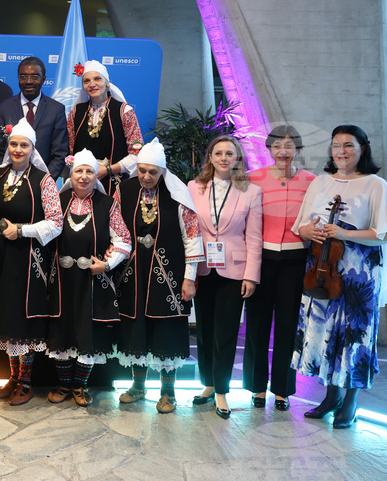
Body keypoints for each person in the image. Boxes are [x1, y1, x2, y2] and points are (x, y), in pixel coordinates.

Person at [293, 124, 387, 429]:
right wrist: (310, 230)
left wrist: (343, 233)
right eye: (336, 145)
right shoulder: (320, 182)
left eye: (349, 145)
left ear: (362, 148)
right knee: (325, 332)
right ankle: (331, 397)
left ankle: (351, 402)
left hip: (359, 273)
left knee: (354, 335)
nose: (341, 151)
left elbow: (385, 234)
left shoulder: (375, 185)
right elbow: (300, 226)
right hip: (322, 270)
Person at [112, 138, 204, 414]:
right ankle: (138, 386)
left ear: (162, 171)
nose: (146, 176)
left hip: (169, 275)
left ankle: (168, 393)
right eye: (142, 170)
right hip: (133, 274)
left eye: (153, 172)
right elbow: (114, 227)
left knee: (167, 331)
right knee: (135, 328)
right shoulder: (124, 190)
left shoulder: (177, 194)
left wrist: (189, 278)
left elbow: (192, 237)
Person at [0, 118, 63, 405]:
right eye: (14, 144)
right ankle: (14, 377)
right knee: (4, 317)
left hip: (27, 258)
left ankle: (26, 382)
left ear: (33, 149)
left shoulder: (43, 180)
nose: (18, 149)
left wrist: (22, 230)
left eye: (24, 145)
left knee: (22, 319)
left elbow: (56, 223)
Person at [47, 149, 132, 406]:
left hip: (92, 281)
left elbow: (124, 240)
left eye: (89, 172)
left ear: (96, 176)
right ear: (70, 175)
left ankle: (79, 386)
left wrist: (106, 264)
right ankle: (63, 384)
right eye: (79, 171)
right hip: (61, 280)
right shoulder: (57, 201)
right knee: (62, 330)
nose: (84, 176)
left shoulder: (107, 204)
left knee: (88, 332)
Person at [187, 135, 262, 419]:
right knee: (204, 330)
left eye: (229, 153)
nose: (223, 158)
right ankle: (207, 383)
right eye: (218, 153)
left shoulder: (251, 191)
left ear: (237, 158)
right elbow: (188, 229)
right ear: (210, 157)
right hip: (202, 267)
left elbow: (253, 238)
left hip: (235, 271)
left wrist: (251, 276)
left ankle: (221, 390)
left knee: (226, 332)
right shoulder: (194, 187)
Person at [244, 125, 316, 411]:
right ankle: (257, 387)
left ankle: (283, 390)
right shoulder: (253, 178)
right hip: (262, 258)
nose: (283, 151)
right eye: (277, 146)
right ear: (269, 149)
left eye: (289, 146)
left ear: (297, 149)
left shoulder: (312, 181)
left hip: (296, 261)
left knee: (288, 325)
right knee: (257, 325)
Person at [66, 60, 143, 196]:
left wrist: (108, 169)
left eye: (97, 79)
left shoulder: (124, 111)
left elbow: (137, 153)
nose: (92, 84)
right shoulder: (76, 112)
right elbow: (70, 149)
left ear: (107, 82)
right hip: (81, 184)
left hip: (114, 185)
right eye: (87, 81)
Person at [0, 56, 69, 179]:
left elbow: (60, 154)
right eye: (23, 76)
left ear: (43, 79)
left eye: (35, 77)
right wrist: (6, 178)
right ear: (18, 78)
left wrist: (44, 182)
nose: (28, 81)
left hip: (42, 181)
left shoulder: (56, 110)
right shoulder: (4, 108)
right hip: (8, 180)